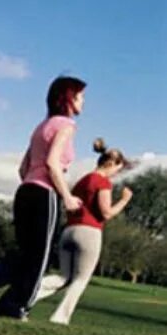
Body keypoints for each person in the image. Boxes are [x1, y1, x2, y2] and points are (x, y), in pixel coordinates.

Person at [0, 76, 86, 319]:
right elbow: (52, 163)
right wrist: (67, 196)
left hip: (26, 191)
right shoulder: (66, 126)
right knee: (41, 259)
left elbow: (23, 169)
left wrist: (34, 186)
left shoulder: (42, 127)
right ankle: (17, 308)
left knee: (28, 256)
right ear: (69, 98)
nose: (83, 102)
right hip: (44, 194)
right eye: (80, 96)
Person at [34, 139, 133, 324]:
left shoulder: (82, 181)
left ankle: (26, 293)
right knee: (80, 280)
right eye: (117, 169)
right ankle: (60, 319)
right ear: (111, 164)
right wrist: (124, 201)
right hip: (89, 232)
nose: (115, 174)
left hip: (69, 231)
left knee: (63, 277)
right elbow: (106, 212)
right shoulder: (102, 182)